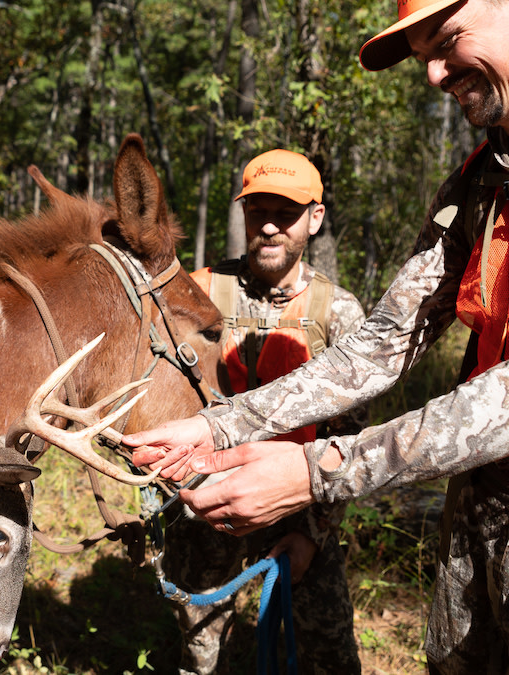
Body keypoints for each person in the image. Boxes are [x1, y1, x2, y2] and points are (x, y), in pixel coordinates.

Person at [125, 0, 509, 671]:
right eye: (422, 56)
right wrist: (224, 426)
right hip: (483, 521)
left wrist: (322, 473)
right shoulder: (483, 178)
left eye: (448, 40)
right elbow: (382, 343)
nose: (434, 73)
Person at [166, 149, 366, 675]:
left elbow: (350, 440)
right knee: (200, 647)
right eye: (258, 211)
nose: (271, 226)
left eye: (287, 212)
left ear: (315, 219)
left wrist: (313, 533)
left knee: (329, 651)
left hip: (297, 501)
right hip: (204, 497)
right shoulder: (199, 292)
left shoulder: (339, 313)